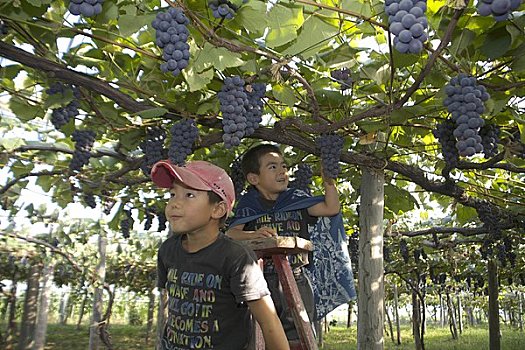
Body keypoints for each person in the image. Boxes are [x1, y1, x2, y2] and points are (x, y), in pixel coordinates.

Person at [151, 159, 289, 350]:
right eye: (173, 194)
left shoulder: (236, 257)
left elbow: (269, 322)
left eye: (189, 194)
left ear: (217, 209)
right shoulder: (168, 250)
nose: (174, 203)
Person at [227, 144, 355, 341]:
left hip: (297, 279)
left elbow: (331, 208)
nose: (282, 172)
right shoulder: (248, 205)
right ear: (254, 178)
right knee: (263, 335)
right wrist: (254, 234)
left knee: (298, 334)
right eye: (273, 167)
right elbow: (232, 234)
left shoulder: (296, 199)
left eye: (284, 166)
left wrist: (328, 179)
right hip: (260, 280)